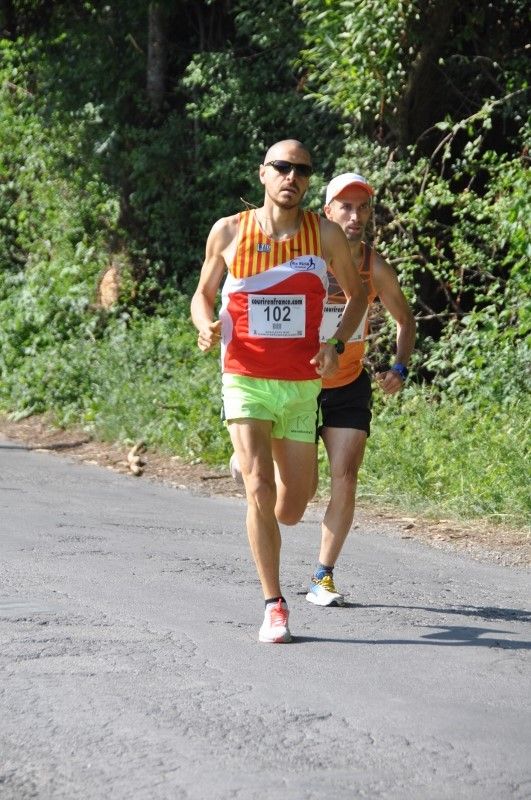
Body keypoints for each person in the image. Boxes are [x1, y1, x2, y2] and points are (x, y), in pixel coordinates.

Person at [190, 141, 367, 643]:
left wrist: (335, 344)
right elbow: (203, 295)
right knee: (259, 491)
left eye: (302, 170)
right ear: (263, 174)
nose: (292, 176)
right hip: (244, 375)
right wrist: (205, 325)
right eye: (282, 167)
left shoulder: (324, 234)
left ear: (308, 180)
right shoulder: (229, 231)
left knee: (291, 507)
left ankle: (253, 462)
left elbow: (357, 296)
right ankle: (274, 606)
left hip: (301, 383)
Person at [306, 172, 416, 607]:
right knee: (298, 491)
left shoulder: (374, 266)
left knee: (346, 478)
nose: (355, 216)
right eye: (345, 207)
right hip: (299, 385)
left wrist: (399, 366)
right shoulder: (305, 258)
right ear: (327, 212)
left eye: (362, 208)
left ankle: (323, 576)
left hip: (349, 384)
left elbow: (405, 320)